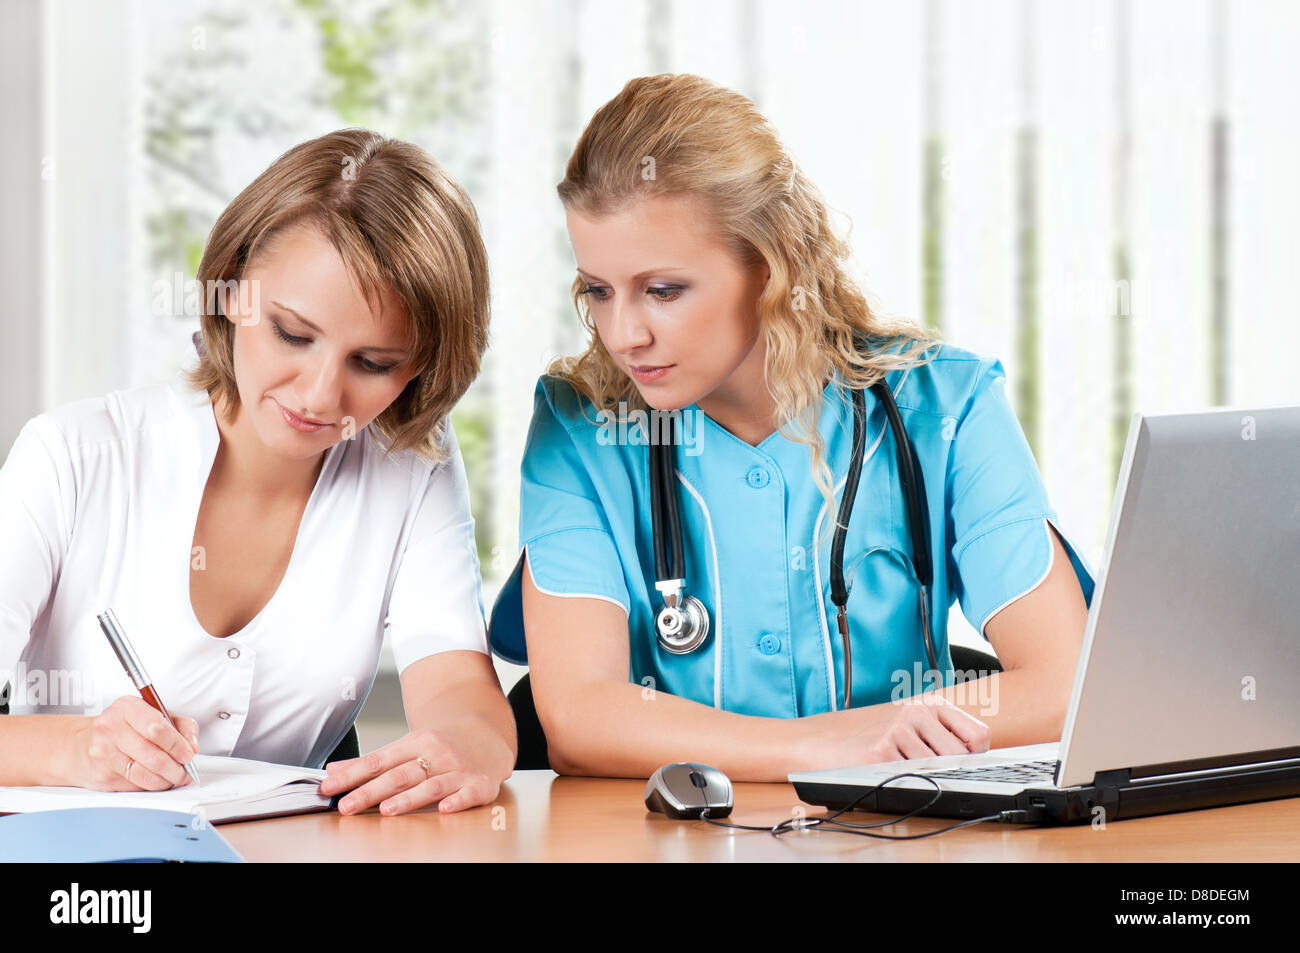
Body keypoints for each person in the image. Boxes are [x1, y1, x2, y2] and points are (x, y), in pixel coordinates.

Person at [510, 74, 1096, 781]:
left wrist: (855, 745)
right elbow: (579, 718)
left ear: (769, 265)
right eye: (598, 291)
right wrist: (826, 748)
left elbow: (1066, 684)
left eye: (662, 290)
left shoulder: (946, 402)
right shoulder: (580, 427)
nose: (623, 334)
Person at [0, 128, 515, 815]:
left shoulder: (409, 466)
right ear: (232, 288)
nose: (319, 395)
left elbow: (458, 692)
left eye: (374, 363)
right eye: (293, 334)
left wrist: (463, 750)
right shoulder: (72, 456)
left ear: (420, 367)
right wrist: (70, 748)